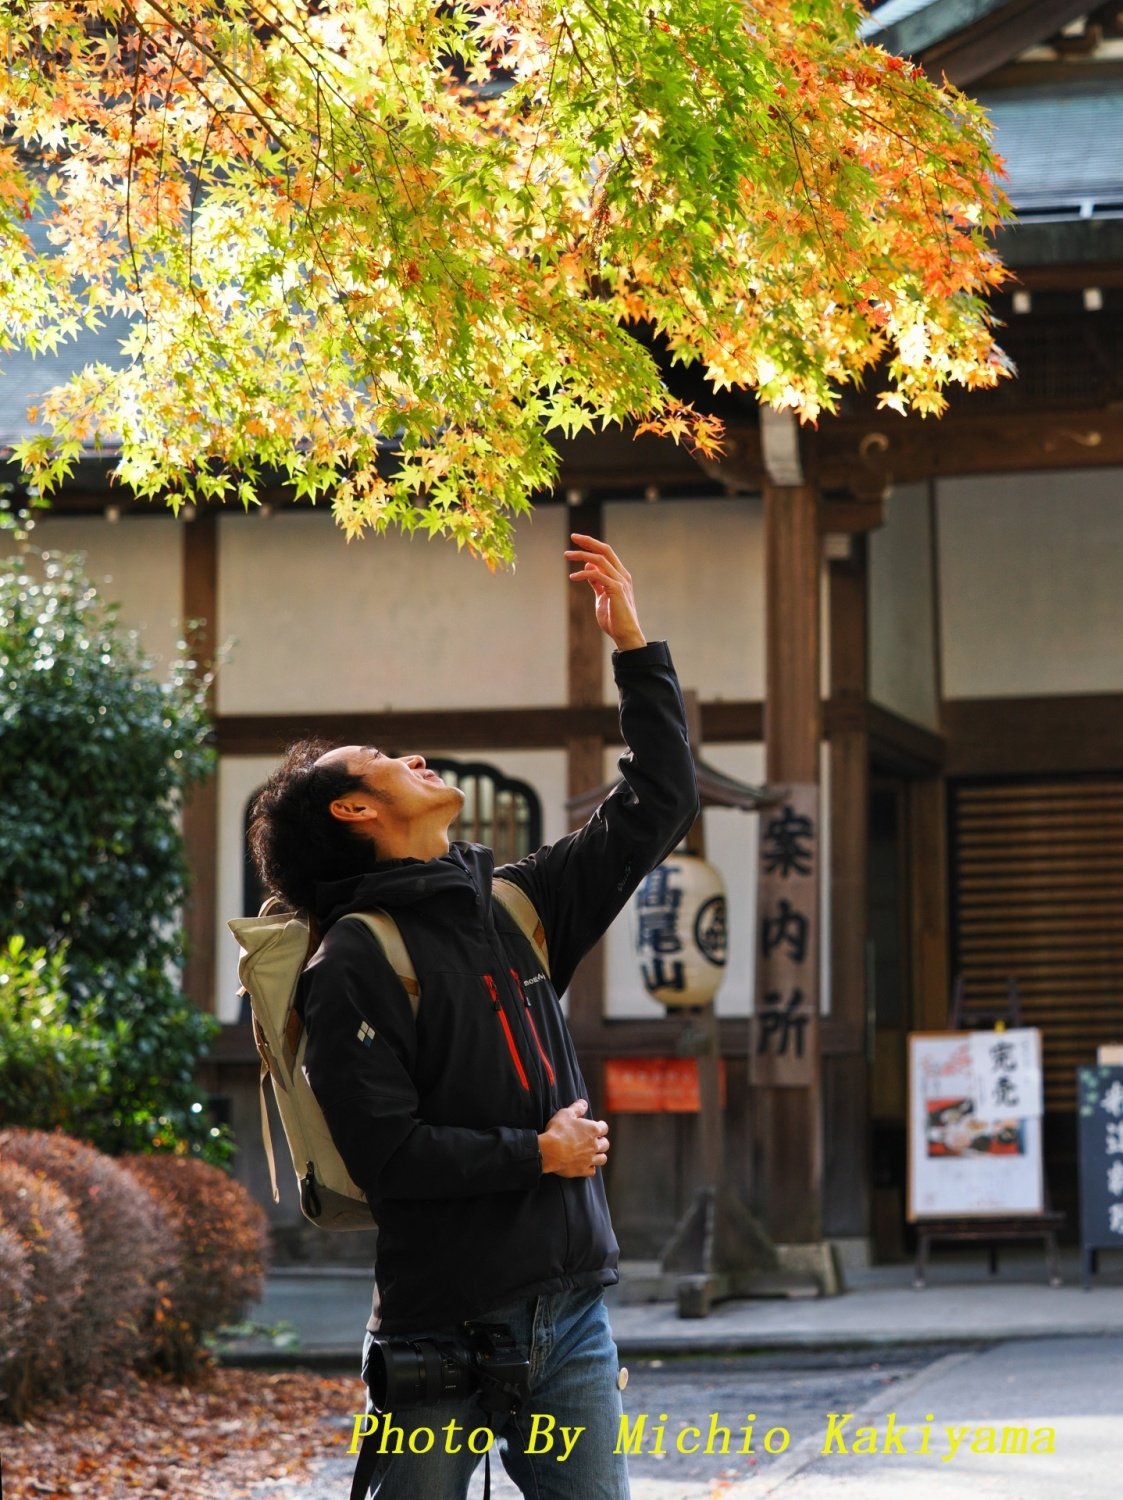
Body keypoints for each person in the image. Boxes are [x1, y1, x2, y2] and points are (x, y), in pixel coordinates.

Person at [247, 534, 699, 1500]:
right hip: (432, 1327)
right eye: (382, 761)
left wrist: (632, 649)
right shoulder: (352, 961)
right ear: (354, 813)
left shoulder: (516, 909)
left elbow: (658, 803)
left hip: (570, 1316)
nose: (413, 758)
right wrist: (535, 1155)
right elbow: (391, 1159)